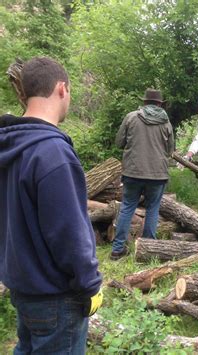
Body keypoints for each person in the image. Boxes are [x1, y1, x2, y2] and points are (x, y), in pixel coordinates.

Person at [0, 57, 103, 354]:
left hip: (23, 286)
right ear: (61, 89)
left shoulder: (11, 146)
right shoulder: (53, 153)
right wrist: (90, 284)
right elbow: (69, 233)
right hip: (56, 298)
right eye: (69, 91)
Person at [111, 88, 175, 260]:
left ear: (145, 102)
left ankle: (117, 249)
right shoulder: (165, 122)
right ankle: (148, 250)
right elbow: (170, 150)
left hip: (132, 172)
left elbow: (119, 142)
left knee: (127, 207)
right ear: (160, 104)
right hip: (158, 174)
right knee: (153, 209)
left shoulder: (131, 117)